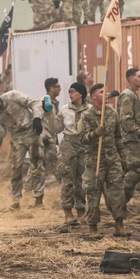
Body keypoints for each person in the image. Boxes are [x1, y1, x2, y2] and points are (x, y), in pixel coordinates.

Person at [79, 82, 131, 237]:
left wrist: (123, 157)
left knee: (117, 192)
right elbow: (82, 138)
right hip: (95, 160)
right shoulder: (87, 116)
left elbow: (118, 137)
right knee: (93, 192)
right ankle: (93, 228)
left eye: (106, 92)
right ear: (93, 96)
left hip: (112, 159)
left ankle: (119, 225)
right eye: (102, 92)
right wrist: (95, 133)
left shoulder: (112, 113)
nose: (106, 95)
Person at [0, 89, 45, 210]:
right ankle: (16, 200)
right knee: (16, 168)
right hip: (17, 138)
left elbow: (34, 103)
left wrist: (37, 118)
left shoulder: (12, 95)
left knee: (37, 165)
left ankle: (39, 199)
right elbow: (1, 134)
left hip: (31, 132)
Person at [57, 82, 89, 226]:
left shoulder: (90, 110)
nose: (70, 94)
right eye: (69, 91)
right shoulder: (64, 110)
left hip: (84, 144)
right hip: (68, 144)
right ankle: (68, 212)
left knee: (82, 179)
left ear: (81, 93)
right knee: (67, 179)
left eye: (73, 91)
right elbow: (56, 127)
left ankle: (81, 210)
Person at [117, 68, 140, 202]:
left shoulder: (133, 95)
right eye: (139, 76)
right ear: (131, 79)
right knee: (139, 168)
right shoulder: (127, 95)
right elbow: (126, 119)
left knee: (133, 168)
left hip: (133, 138)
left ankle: (121, 202)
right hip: (130, 138)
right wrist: (139, 133)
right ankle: (119, 199)